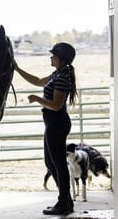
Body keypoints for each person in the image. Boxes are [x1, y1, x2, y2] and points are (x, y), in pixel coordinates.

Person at [14, 42, 77, 215]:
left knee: (58, 164)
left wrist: (36, 99)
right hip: (52, 122)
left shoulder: (63, 77)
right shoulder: (58, 73)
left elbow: (56, 105)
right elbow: (37, 81)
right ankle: (66, 200)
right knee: (51, 163)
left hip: (57, 122)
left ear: (62, 60)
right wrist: (17, 69)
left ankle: (64, 202)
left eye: (54, 56)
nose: (51, 58)